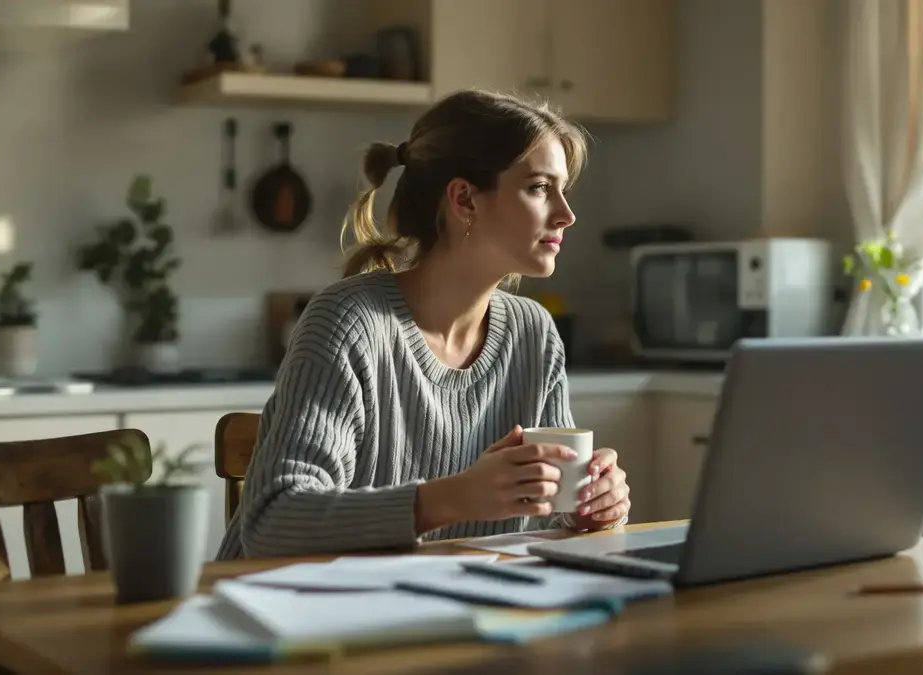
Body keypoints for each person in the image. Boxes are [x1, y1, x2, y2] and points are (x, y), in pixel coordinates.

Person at [216, 89, 632, 560]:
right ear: (464, 200)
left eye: (563, 189)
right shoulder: (351, 322)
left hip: (443, 612)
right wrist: (453, 497)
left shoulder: (532, 333)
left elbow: (550, 507)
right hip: (279, 616)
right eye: (539, 188)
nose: (566, 214)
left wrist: (590, 506)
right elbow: (273, 523)